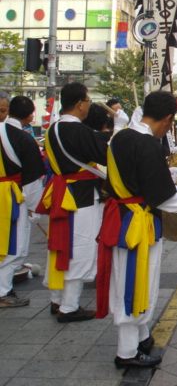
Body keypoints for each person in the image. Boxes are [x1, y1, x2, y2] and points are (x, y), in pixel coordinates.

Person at [95, 91, 177, 369]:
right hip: (138, 224)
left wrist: (171, 179)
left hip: (122, 218)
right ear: (168, 119)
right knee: (135, 283)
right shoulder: (147, 144)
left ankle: (141, 338)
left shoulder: (119, 137)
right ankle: (127, 353)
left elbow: (138, 179)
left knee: (130, 280)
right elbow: (164, 198)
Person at [36, 82, 121, 322]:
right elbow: (105, 153)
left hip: (62, 194)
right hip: (79, 196)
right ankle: (69, 307)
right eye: (87, 101)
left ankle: (57, 300)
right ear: (80, 103)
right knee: (79, 249)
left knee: (60, 246)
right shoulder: (78, 130)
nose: (88, 105)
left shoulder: (53, 129)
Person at [0, 96, 45, 308]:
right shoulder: (22, 139)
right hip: (10, 197)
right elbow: (33, 179)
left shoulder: (20, 137)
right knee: (13, 247)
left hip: (10, 193)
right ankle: (3, 291)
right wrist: (34, 209)